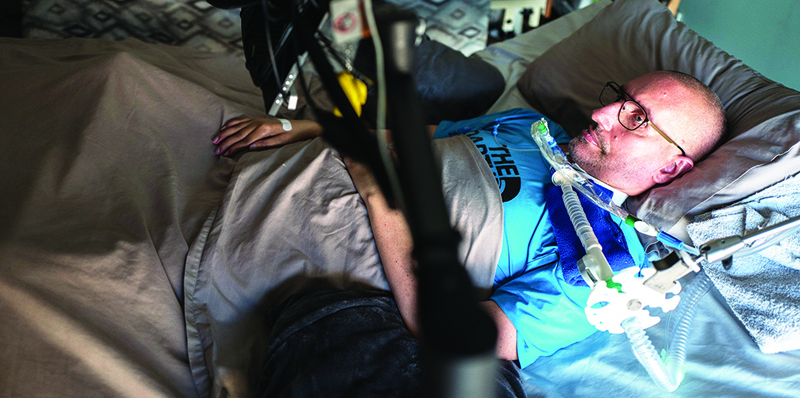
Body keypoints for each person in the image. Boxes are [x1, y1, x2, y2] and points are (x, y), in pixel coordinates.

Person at [212, 70, 727, 368]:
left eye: (636, 117)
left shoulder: (605, 265)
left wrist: (378, 194)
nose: (600, 113)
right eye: (618, 98)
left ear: (673, 166)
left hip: (307, 223)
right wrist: (303, 124)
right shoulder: (534, 126)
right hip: (313, 158)